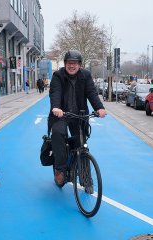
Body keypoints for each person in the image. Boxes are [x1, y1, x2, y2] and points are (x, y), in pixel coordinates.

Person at [48, 49, 107, 187]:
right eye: (69, 63)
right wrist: (56, 107)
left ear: (79, 64)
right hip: (61, 114)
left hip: (79, 114)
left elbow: (92, 92)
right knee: (58, 133)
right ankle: (60, 169)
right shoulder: (58, 75)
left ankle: (86, 179)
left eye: (75, 63)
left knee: (82, 144)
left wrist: (99, 108)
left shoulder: (85, 75)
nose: (72, 66)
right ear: (65, 64)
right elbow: (55, 92)